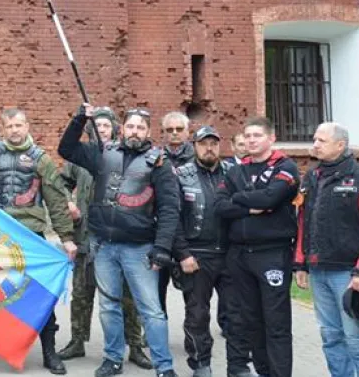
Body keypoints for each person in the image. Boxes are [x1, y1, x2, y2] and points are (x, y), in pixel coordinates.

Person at [0, 108, 77, 373]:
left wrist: (66, 238)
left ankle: (49, 351)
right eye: (9, 126)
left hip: (31, 234)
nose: (14, 131)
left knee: (40, 294)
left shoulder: (41, 159)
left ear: (27, 126)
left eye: (19, 125)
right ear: (3, 129)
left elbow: (55, 201)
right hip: (0, 235)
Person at [58, 105, 180, 377]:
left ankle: (164, 366)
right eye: (131, 126)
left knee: (151, 310)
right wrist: (80, 119)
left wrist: (162, 248)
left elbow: (170, 209)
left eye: (141, 127)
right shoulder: (102, 154)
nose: (135, 131)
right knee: (109, 306)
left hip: (139, 248)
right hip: (103, 246)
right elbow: (66, 149)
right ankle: (112, 359)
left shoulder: (158, 162)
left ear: (148, 132)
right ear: (122, 128)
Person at [295, 122, 359, 377]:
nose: (314, 144)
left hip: (350, 275)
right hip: (318, 272)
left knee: (358, 340)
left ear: (340, 145)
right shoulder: (312, 178)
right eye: (314, 139)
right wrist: (301, 264)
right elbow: (303, 223)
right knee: (331, 338)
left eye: (321, 140)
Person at [216, 117, 299, 377]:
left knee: (276, 323)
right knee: (251, 321)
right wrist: (252, 207)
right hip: (239, 255)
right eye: (248, 136)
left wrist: (237, 199)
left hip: (272, 254)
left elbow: (272, 197)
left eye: (257, 135)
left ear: (271, 138)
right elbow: (219, 206)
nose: (251, 140)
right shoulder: (235, 170)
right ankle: (264, 372)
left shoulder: (286, 167)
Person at [172, 127, 234, 377]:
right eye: (203, 143)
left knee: (237, 313)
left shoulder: (233, 173)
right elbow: (172, 218)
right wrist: (183, 254)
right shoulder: (181, 175)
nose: (209, 148)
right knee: (197, 314)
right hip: (196, 255)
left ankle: (238, 364)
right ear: (194, 146)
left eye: (214, 143)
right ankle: (200, 363)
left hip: (230, 254)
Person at [158, 112, 194, 318]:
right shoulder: (155, 158)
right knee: (156, 288)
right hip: (160, 231)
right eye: (169, 130)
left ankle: (194, 334)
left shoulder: (196, 157)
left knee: (192, 291)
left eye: (179, 130)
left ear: (187, 132)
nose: (174, 134)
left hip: (189, 232)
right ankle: (157, 332)